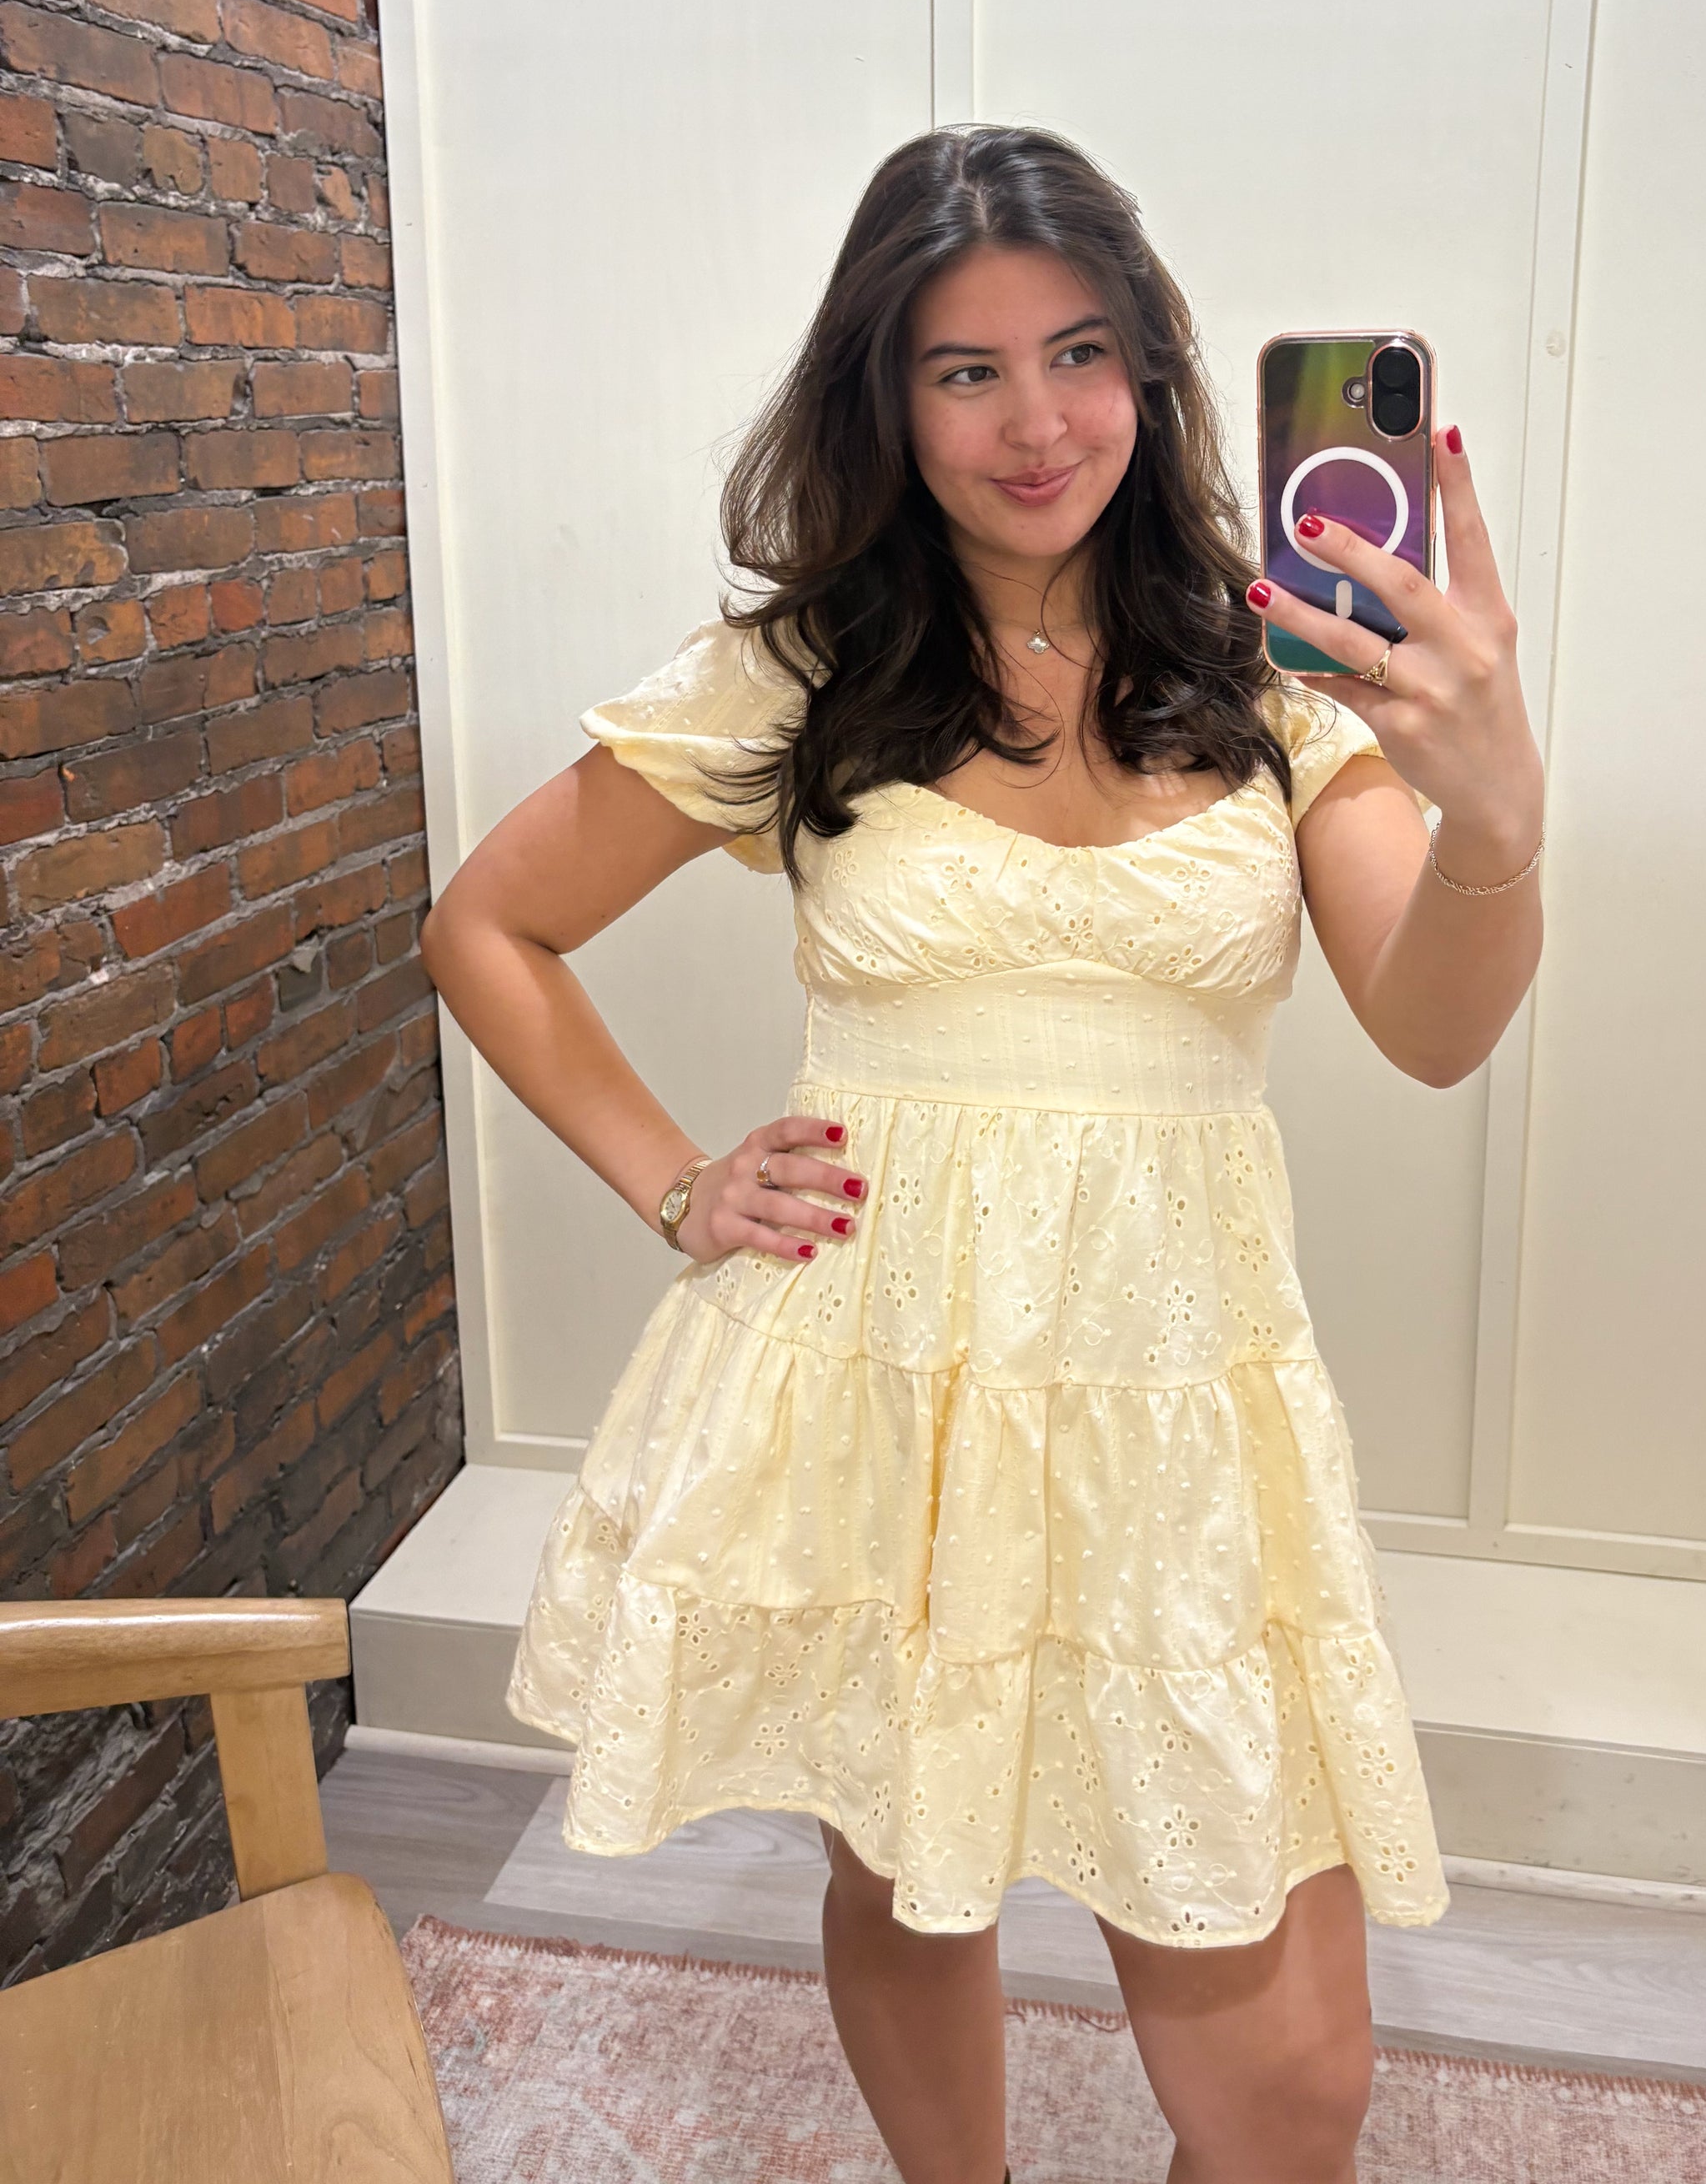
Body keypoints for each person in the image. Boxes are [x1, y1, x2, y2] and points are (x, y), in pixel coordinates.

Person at [419, 124, 1545, 2184]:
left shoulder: (1277, 672)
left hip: (1171, 1402)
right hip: (884, 1372)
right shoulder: (806, 671)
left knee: (1292, 2091)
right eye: (969, 369)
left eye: (1081, 352)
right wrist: (678, 1182)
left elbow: (1437, 1024)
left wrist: (1496, 819)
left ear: (1153, 366)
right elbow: (488, 925)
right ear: (889, 394)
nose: (1039, 423)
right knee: (910, 1862)